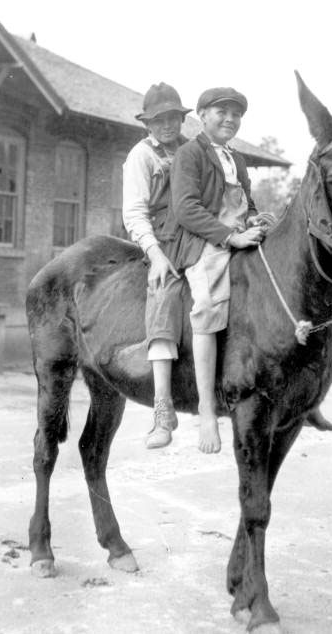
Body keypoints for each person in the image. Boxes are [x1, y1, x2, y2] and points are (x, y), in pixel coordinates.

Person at [161, 87, 272, 453]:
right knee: (208, 304)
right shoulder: (189, 154)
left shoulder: (236, 159)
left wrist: (255, 218)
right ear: (202, 115)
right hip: (202, 241)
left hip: (237, 235)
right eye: (221, 112)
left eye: (236, 114)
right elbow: (186, 209)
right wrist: (229, 237)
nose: (229, 119)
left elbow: (245, 203)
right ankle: (206, 411)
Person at [122, 82, 192, 449]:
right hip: (163, 242)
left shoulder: (193, 150)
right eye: (159, 119)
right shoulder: (141, 156)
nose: (167, 124)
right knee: (163, 300)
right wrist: (157, 255)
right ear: (148, 123)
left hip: (198, 234)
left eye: (173, 117)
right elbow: (134, 212)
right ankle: (163, 413)